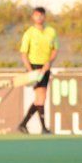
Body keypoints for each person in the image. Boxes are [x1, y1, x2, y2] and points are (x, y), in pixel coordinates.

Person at [17, 7, 58, 135]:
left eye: (41, 15)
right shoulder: (29, 33)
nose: (39, 18)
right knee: (41, 97)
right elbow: (23, 53)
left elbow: (55, 49)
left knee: (41, 98)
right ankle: (43, 128)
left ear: (44, 16)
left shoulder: (51, 31)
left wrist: (48, 63)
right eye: (36, 15)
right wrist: (30, 71)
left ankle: (23, 124)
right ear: (33, 17)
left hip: (45, 66)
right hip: (33, 66)